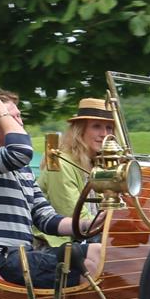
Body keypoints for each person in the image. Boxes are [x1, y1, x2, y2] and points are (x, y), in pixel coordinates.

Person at [0, 90, 104, 285]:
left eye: (19, 116)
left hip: (19, 257)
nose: (20, 123)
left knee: (100, 252)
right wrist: (2, 114)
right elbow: (21, 150)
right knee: (87, 266)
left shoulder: (23, 169)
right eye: (11, 118)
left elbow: (46, 218)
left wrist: (90, 224)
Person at [39, 97, 118, 248]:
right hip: (61, 248)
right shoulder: (61, 164)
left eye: (109, 128)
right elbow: (75, 217)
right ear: (79, 130)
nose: (104, 134)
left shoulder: (102, 164)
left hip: (92, 239)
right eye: (96, 126)